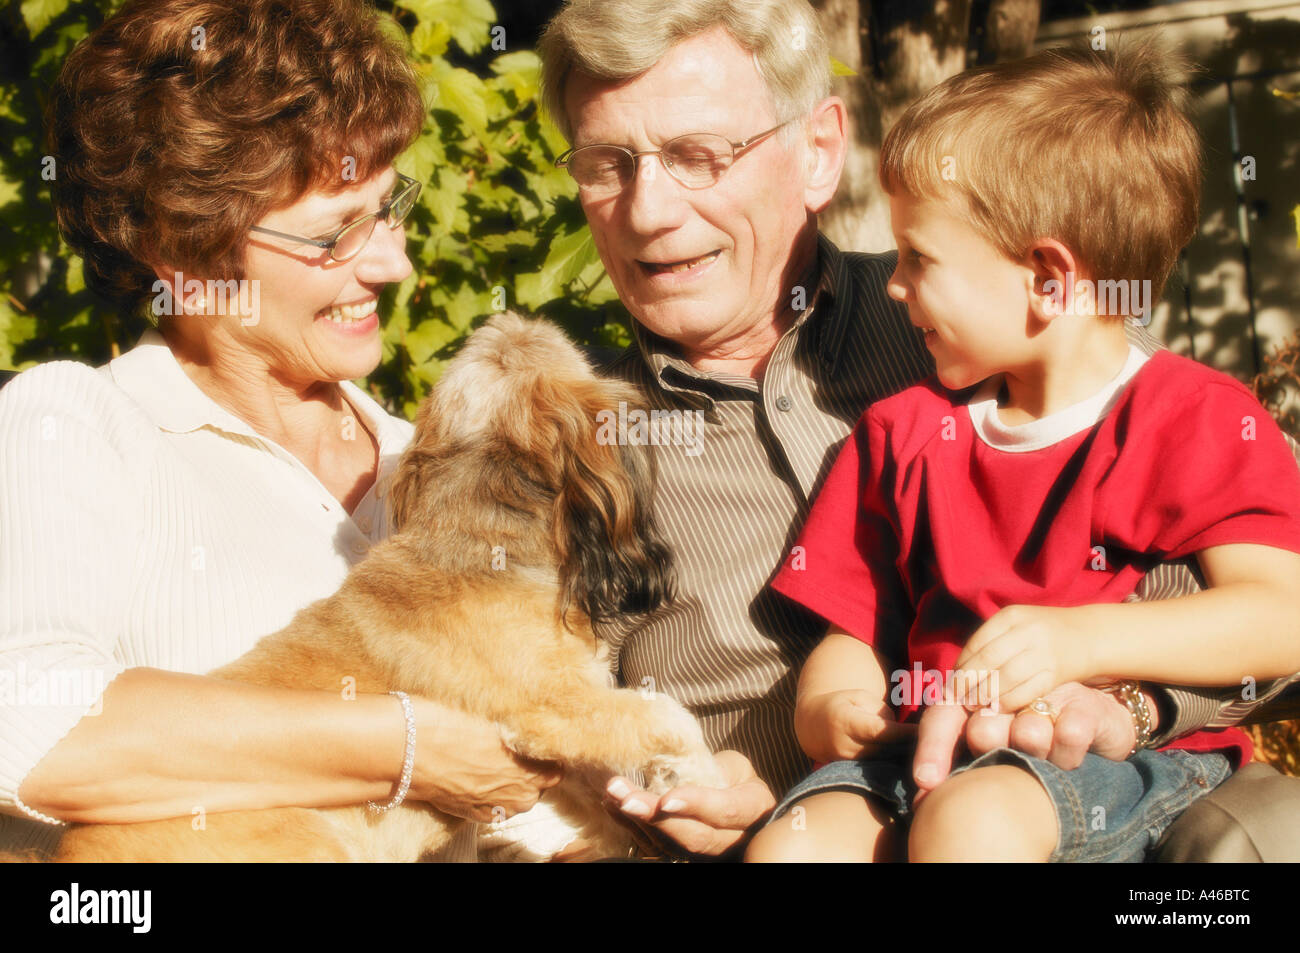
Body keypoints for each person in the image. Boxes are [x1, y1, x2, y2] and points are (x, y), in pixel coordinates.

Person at [537, 0, 1300, 860]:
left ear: (819, 151)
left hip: (1079, 774)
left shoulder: (1015, 349)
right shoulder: (555, 433)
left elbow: (1262, 610)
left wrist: (1127, 699)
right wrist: (784, 741)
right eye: (607, 163)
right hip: (871, 778)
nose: (648, 211)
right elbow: (502, 711)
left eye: (696, 157)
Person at [0, 0, 558, 860]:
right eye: (335, 235)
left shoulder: (427, 462)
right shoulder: (80, 424)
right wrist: (404, 745)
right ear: (181, 251)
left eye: (390, 205)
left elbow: (511, 792)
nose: (393, 262)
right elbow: (31, 722)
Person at [744, 43, 1300, 862]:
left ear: (1048, 277)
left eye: (918, 257)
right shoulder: (901, 433)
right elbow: (855, 627)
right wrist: (835, 705)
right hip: (914, 748)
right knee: (793, 848)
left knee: (972, 826)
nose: (893, 284)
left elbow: (1282, 614)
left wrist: (1082, 642)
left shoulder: (1197, 417)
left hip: (1098, 754)